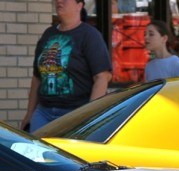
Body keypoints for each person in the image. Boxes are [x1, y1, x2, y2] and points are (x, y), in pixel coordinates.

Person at [21, 0, 112, 132]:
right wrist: (30, 113)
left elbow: (102, 77)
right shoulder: (48, 34)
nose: (59, 1)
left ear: (79, 6)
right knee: (33, 151)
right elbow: (37, 77)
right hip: (43, 112)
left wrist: (89, 115)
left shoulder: (90, 35)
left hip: (75, 112)